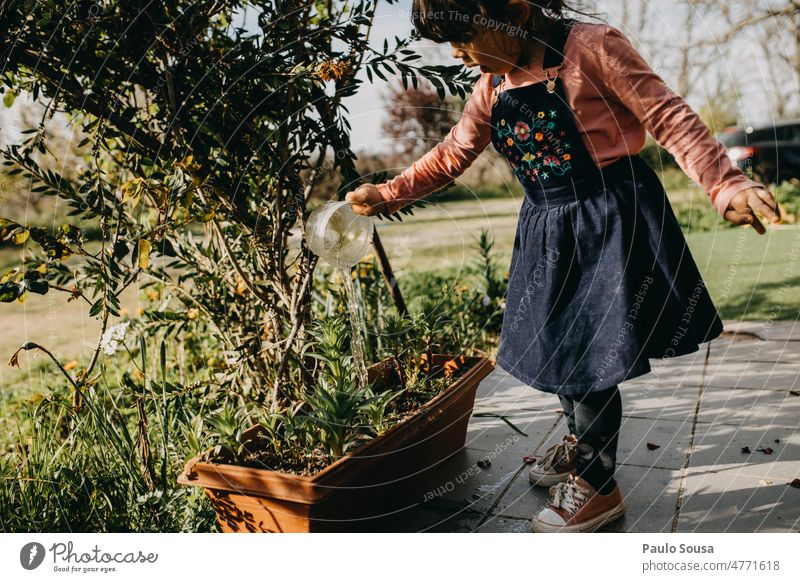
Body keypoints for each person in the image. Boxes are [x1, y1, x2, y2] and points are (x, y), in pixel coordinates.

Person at [345, 0, 781, 532]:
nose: (460, 55)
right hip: (548, 228)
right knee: (561, 347)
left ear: (516, 11)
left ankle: (598, 487)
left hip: (605, 219)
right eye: (451, 45)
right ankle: (579, 448)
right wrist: (388, 193)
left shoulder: (592, 48)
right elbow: (452, 154)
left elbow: (667, 115)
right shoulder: (494, 86)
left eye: (465, 37)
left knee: (589, 358)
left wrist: (725, 182)